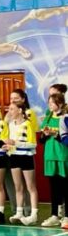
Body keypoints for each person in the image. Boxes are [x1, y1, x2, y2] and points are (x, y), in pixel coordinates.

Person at [4, 99, 38, 225]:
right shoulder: (10, 124)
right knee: (18, 186)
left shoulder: (27, 124)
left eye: (12, 109)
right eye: (9, 109)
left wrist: (16, 143)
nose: (9, 111)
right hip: (14, 157)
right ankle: (19, 212)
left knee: (31, 187)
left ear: (20, 110)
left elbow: (33, 144)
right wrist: (8, 146)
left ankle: (33, 214)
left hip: (26, 157)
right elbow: (10, 141)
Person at [40, 91, 68, 228]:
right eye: (49, 102)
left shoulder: (65, 118)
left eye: (53, 103)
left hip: (62, 155)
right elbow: (41, 140)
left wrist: (55, 134)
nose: (50, 105)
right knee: (54, 187)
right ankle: (54, 215)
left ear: (60, 104)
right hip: (50, 156)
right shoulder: (47, 117)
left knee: (65, 187)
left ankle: (66, 216)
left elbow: (64, 138)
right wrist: (46, 134)